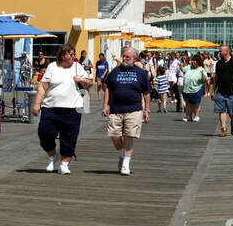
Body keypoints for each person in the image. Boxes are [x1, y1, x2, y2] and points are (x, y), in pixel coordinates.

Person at [32, 45, 93, 174]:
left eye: (74, 54)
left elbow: (89, 83)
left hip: (72, 107)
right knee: (44, 133)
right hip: (50, 107)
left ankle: (64, 163)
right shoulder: (52, 67)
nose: (73, 57)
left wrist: (81, 79)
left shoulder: (77, 67)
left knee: (69, 136)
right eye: (70, 54)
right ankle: (53, 155)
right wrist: (37, 104)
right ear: (62, 55)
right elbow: (43, 86)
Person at [102, 47, 150, 175]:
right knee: (114, 135)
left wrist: (147, 110)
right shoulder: (115, 71)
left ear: (134, 58)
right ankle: (121, 154)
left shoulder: (140, 73)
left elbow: (146, 93)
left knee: (129, 135)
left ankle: (126, 164)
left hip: (134, 109)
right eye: (123, 56)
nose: (124, 59)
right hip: (115, 109)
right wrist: (105, 105)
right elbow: (107, 88)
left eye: (127, 57)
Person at [211, 45, 233, 137]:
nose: (219, 52)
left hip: (231, 92)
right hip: (220, 91)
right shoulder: (218, 63)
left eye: (220, 51)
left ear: (227, 52)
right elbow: (216, 78)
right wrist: (213, 90)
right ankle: (223, 129)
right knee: (221, 110)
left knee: (231, 112)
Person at [181, 54, 207, 122]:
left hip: (196, 89)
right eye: (193, 60)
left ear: (198, 62)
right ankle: (188, 116)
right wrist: (181, 65)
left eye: (195, 61)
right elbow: (183, 70)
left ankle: (196, 116)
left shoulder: (201, 69)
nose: (193, 62)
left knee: (195, 104)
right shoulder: (189, 67)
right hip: (187, 89)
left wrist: (202, 75)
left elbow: (205, 80)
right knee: (187, 103)